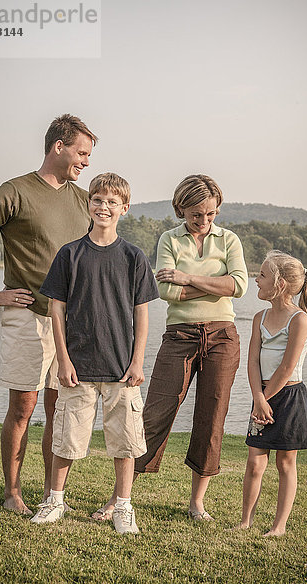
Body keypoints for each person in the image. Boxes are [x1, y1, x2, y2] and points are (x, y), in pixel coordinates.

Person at [0, 114, 98, 515]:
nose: (86, 161)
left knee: (59, 406)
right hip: (26, 315)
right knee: (23, 406)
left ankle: (54, 497)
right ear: (59, 146)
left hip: (71, 323)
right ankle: (12, 493)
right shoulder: (14, 191)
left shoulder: (84, 199)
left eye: (89, 155)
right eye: (81, 152)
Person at [93, 174, 248, 522]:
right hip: (179, 336)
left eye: (210, 214)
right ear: (181, 208)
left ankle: (197, 503)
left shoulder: (230, 240)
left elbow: (239, 286)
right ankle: (119, 498)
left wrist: (189, 278)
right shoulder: (169, 239)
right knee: (154, 414)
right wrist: (214, 285)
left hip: (223, 336)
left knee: (212, 418)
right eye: (196, 214)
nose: (204, 221)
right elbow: (167, 292)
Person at [30, 172, 159, 533]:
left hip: (121, 369)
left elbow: (142, 313)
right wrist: (64, 359)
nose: (104, 207)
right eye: (98, 200)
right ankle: (55, 500)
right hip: (78, 365)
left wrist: (137, 361)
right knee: (66, 439)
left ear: (125, 208)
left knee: (125, 443)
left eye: (112, 202)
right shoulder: (70, 254)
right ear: (89, 204)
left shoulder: (134, 257)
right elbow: (56, 309)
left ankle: (122, 507)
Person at [235, 250, 307, 537]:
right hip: (262, 397)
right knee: (255, 462)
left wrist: (265, 398)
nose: (256, 280)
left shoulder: (299, 320)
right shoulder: (259, 317)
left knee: (285, 462)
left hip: (288, 397)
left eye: (262, 275)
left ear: (279, 283)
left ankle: (278, 527)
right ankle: (246, 521)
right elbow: (252, 362)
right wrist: (258, 398)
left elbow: (286, 367)